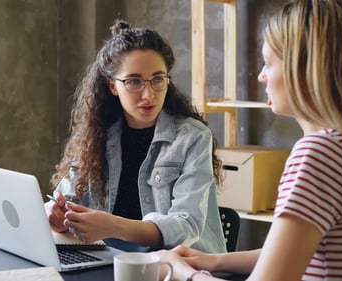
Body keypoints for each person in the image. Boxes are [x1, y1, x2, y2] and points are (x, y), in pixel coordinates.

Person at [156, 0, 342, 280]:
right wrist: (214, 261)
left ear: (304, 67)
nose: (261, 76)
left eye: (268, 62)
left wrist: (180, 272)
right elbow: (308, 249)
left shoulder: (321, 154)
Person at [46, 19, 227, 254]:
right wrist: (56, 214)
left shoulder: (192, 137)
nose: (148, 94)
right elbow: (66, 199)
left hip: (183, 267)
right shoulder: (97, 135)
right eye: (134, 81)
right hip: (113, 261)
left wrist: (112, 226)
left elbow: (186, 226)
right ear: (112, 86)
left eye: (157, 79)